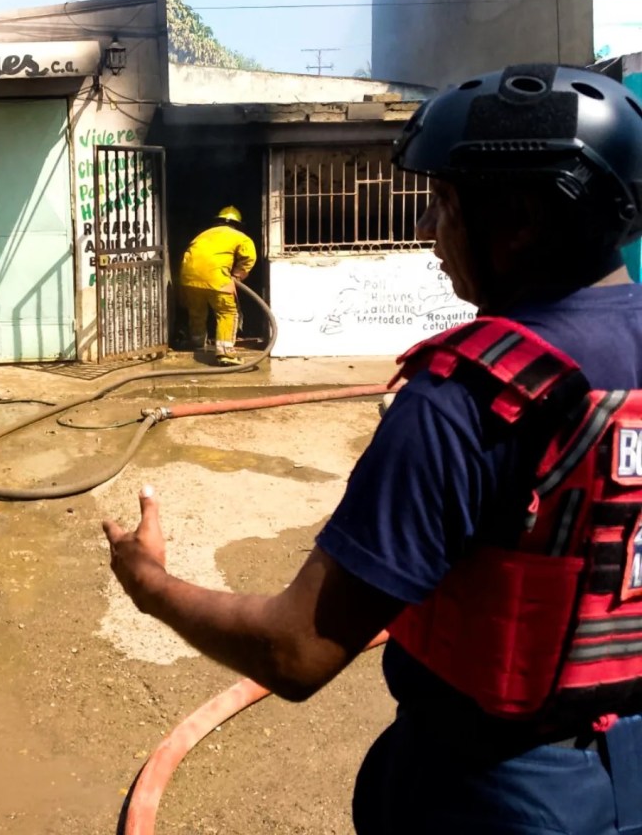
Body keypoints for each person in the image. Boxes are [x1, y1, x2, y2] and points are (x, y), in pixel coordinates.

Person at [104, 63, 642, 834]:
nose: (427, 229)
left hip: (496, 793)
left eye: (443, 203)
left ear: (518, 219)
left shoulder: (466, 398)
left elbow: (296, 652)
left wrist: (150, 585)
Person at [178, 206, 257, 366]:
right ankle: (226, 353)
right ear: (238, 224)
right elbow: (249, 258)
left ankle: (197, 344)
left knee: (197, 312)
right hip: (217, 279)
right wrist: (237, 276)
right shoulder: (241, 237)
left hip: (189, 278)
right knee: (227, 312)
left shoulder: (203, 234)